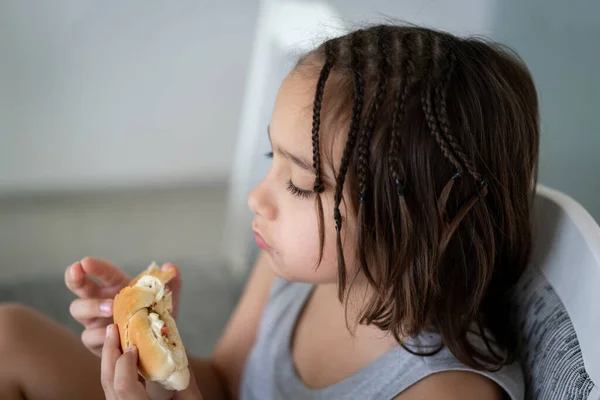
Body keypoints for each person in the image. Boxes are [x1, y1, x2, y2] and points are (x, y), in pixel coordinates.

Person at [0, 23, 539, 400]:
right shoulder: (299, 268)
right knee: (10, 335)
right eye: (270, 158)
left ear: (427, 216)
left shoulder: (443, 391)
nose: (259, 198)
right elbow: (227, 384)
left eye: (301, 183)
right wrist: (164, 370)